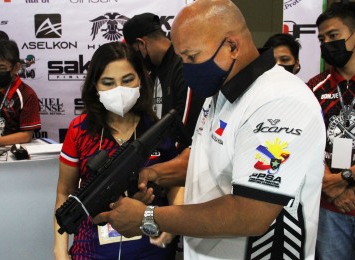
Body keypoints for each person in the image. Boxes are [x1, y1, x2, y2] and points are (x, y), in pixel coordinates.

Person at [92, 1, 326, 259]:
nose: (186, 68)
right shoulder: (221, 92)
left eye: (192, 57)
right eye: (181, 58)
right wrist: (150, 173)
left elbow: (251, 213)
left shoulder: (280, 101)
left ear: (232, 46)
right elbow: (204, 157)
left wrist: (149, 216)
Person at [53, 41, 182, 260]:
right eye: (108, 82)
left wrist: (173, 223)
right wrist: (60, 251)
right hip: (91, 251)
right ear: (95, 85)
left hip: (151, 250)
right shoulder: (79, 130)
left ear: (141, 78)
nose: (119, 90)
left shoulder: (157, 129)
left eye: (127, 80)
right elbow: (64, 192)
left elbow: (176, 183)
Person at [306, 3, 355, 259]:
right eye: (322, 39)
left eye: (334, 36)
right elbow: (303, 141)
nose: (327, 43)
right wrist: (332, 185)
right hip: (329, 208)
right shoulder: (315, 87)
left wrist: (345, 178)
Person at [123, 12, 204, 142]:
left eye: (135, 52)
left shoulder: (184, 67)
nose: (137, 59)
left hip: (183, 158)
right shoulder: (152, 72)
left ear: (141, 43)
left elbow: (185, 134)